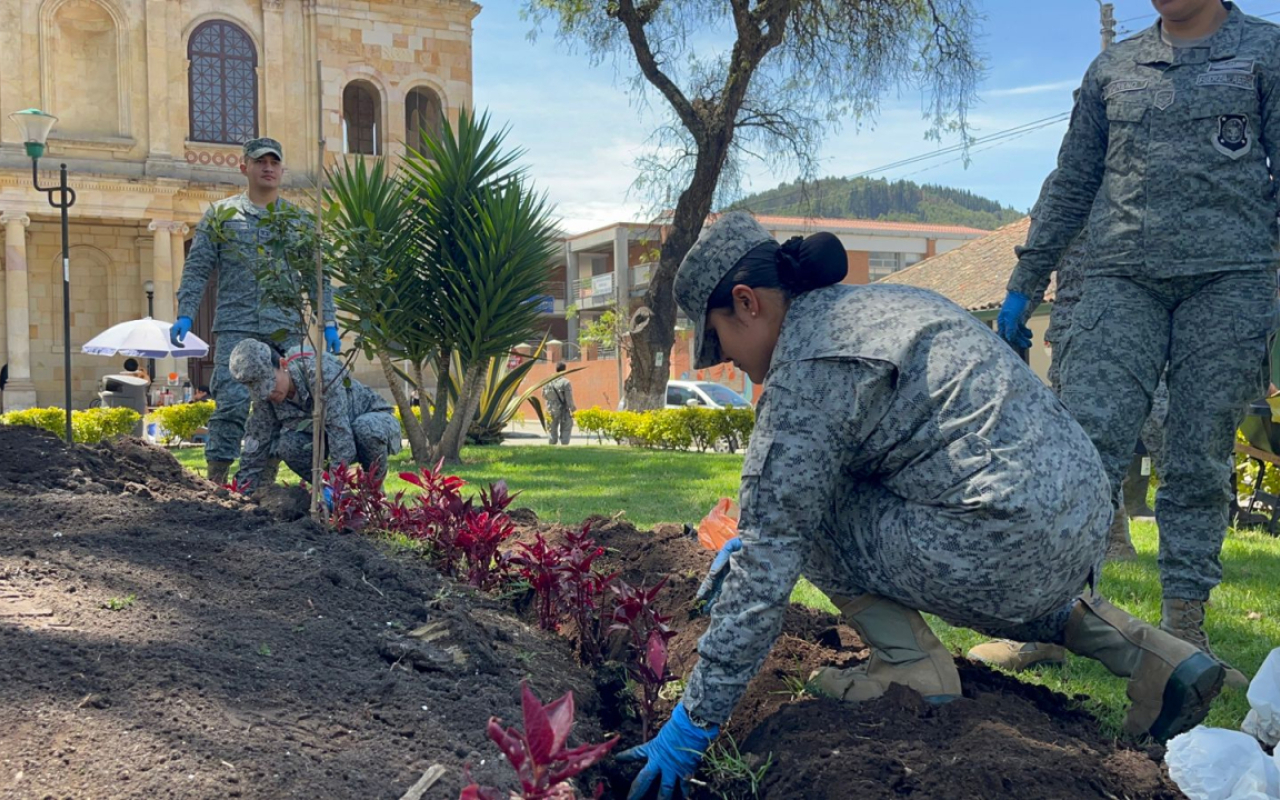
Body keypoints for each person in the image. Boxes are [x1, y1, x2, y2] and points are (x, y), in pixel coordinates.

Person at [619, 213, 1225, 800]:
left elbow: (775, 555)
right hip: (1078, 519)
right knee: (969, 545)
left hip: (999, 538)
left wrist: (691, 723)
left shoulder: (808, 364)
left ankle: (910, 665)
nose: (726, 359)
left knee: (806, 519)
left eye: (718, 336)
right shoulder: (882, 307)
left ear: (748, 302)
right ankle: (1156, 659)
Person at [994, 0, 1278, 690]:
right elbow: (1073, 181)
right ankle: (1058, 621)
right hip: (1121, 280)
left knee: (1198, 453)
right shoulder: (1112, 68)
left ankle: (1185, 635)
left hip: (1231, 280)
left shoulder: (1265, 53)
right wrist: (1025, 282)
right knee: (1086, 448)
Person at [170, 137, 339, 486]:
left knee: (283, 406)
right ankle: (216, 482)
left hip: (285, 329)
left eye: (274, 162)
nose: (268, 168)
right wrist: (186, 312)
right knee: (230, 403)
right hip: (236, 326)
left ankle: (261, 483)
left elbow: (316, 275)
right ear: (243, 166)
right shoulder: (222, 214)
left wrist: (330, 321)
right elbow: (198, 267)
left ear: (281, 169)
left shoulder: (299, 221)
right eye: (260, 161)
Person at [226, 339, 401, 493]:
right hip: (324, 437)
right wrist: (242, 492)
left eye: (270, 383)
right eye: (261, 390)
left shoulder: (320, 374)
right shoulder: (267, 398)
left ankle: (373, 495)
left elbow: (340, 436)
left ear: (283, 364)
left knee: (365, 429)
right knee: (288, 445)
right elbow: (256, 444)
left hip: (370, 421)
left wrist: (335, 487)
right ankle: (338, 497)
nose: (269, 393)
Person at [542, 362, 576, 445]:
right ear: (564, 370)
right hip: (563, 409)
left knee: (551, 428)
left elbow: (543, 395)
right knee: (566, 427)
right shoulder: (566, 382)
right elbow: (569, 398)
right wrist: (573, 409)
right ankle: (564, 445)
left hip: (551, 409)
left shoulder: (548, 381)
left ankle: (552, 444)